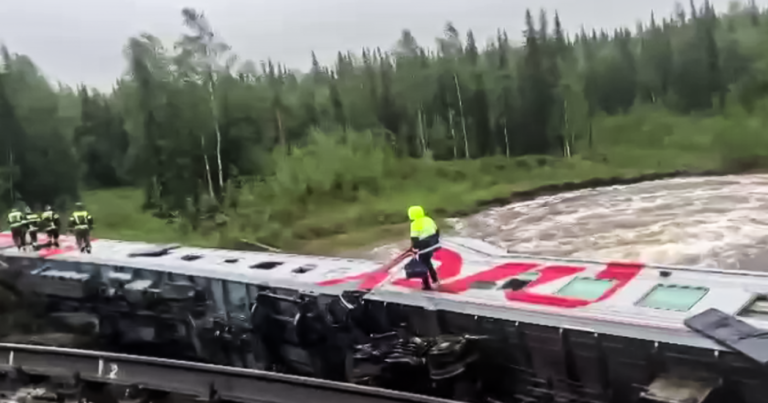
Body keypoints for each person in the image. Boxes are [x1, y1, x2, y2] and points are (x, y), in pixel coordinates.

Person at [407, 205, 440, 290]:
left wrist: (414, 249)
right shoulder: (429, 220)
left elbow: (415, 239)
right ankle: (435, 280)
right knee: (427, 262)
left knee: (424, 263)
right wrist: (436, 243)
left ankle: (426, 284)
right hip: (432, 243)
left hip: (424, 245)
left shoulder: (415, 224)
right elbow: (437, 231)